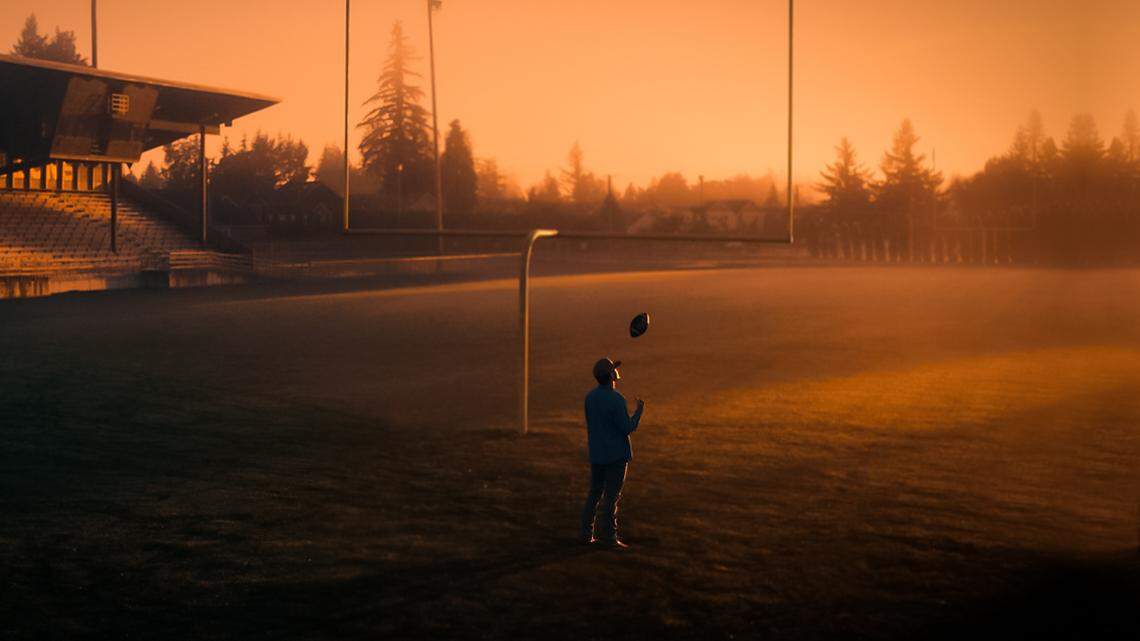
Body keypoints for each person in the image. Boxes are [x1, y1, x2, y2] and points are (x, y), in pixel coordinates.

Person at [580, 357, 645, 548]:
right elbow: (626, 428)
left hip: (597, 454)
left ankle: (586, 534)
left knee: (594, 494)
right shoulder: (616, 399)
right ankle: (609, 536)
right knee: (611, 497)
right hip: (616, 455)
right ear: (610, 376)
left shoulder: (590, 398)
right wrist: (639, 412)